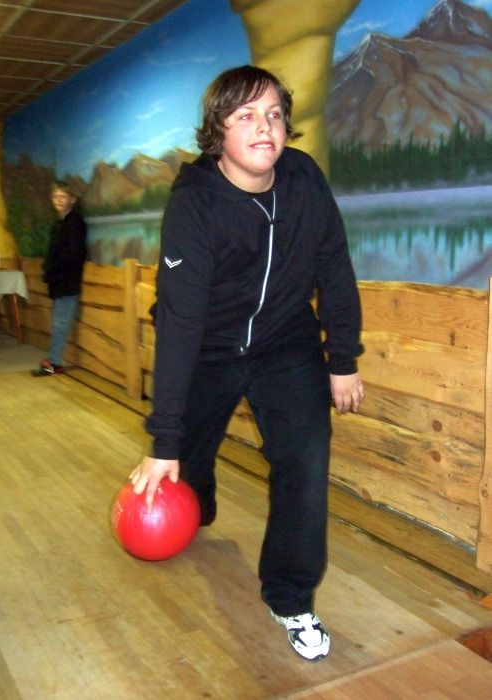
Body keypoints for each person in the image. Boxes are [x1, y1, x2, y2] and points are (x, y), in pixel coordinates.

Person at [129, 65, 365, 661]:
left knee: (304, 458)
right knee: (189, 457)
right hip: (207, 345)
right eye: (246, 116)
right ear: (218, 131)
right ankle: (197, 501)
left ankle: (291, 595)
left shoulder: (304, 179)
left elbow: (334, 265)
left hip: (285, 343)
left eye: (275, 115)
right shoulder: (194, 204)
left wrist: (342, 357)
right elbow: (179, 323)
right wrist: (163, 441)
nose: (265, 127)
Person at [33, 182, 87, 376]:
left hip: (67, 281)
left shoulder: (75, 223)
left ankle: (54, 363)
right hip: (58, 281)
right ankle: (53, 360)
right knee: (58, 322)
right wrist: (48, 269)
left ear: (72, 199)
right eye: (55, 197)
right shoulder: (59, 223)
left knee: (60, 323)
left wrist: (53, 269)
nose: (58, 200)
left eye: (63, 197)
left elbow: (74, 254)